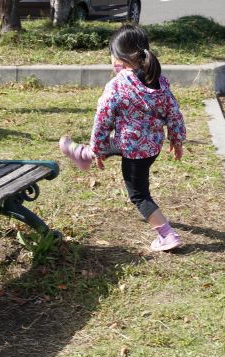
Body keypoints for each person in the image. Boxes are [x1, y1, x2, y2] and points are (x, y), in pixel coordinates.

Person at [59, 24, 186, 252]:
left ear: (118, 58)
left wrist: (98, 148)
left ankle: (167, 235)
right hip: (151, 145)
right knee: (119, 142)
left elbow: (103, 119)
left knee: (139, 195)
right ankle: (82, 154)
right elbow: (173, 111)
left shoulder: (117, 85)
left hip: (133, 149)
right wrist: (176, 139)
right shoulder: (158, 80)